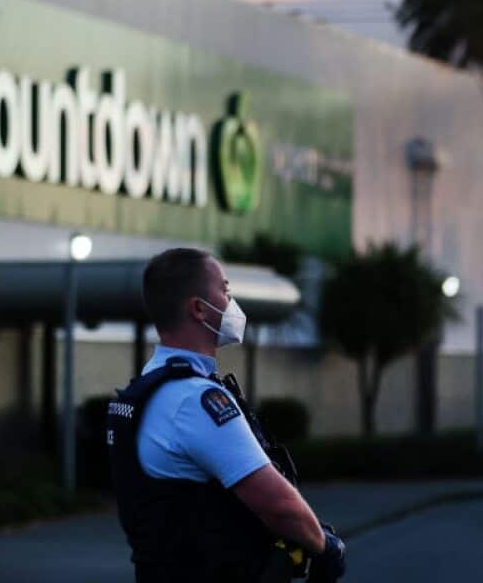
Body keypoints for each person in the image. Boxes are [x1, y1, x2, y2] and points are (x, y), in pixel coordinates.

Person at [108, 247, 345, 582]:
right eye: (225, 290)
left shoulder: (153, 385)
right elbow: (279, 504)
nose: (232, 302)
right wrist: (326, 547)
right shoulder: (194, 399)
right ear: (198, 309)